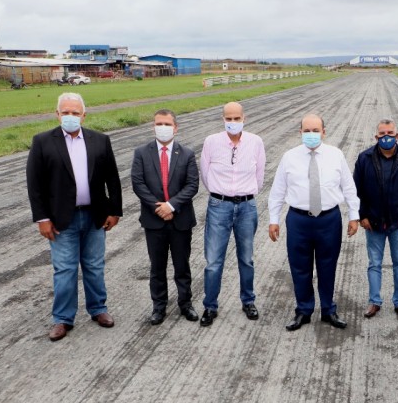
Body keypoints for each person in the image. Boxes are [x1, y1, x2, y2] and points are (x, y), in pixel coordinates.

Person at [26, 92, 123, 341]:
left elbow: (112, 178)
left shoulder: (100, 141)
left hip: (95, 216)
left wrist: (115, 211)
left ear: (84, 115)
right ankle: (62, 318)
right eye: (66, 112)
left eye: (75, 112)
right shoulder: (43, 142)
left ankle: (98, 309)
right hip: (61, 219)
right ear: (57, 114)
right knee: (65, 269)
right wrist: (42, 218)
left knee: (94, 265)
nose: (70, 116)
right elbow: (35, 185)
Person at [268, 114, 360, 331]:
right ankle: (303, 310)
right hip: (299, 219)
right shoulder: (289, 157)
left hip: (329, 219)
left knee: (328, 265)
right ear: (300, 132)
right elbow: (277, 190)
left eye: (315, 130)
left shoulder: (335, 155)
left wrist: (354, 215)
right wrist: (274, 220)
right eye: (306, 131)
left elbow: (348, 187)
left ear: (324, 132)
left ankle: (329, 309)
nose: (311, 135)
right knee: (300, 267)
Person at [199, 101, 266, 326]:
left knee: (246, 258)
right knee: (213, 261)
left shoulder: (256, 142)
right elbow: (206, 175)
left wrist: (243, 194)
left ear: (244, 118)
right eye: (229, 118)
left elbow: (259, 175)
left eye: (237, 118)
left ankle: (248, 301)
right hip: (219, 206)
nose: (233, 122)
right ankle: (210, 305)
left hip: (247, 206)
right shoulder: (211, 142)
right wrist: (222, 194)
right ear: (223, 119)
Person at [131, 109, 199, 325]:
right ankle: (159, 307)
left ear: (175, 127)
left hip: (180, 219)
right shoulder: (141, 153)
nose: (162, 127)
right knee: (157, 266)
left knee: (182, 265)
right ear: (153, 126)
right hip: (154, 220)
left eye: (167, 124)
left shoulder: (186, 153)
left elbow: (192, 185)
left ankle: (185, 304)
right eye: (158, 123)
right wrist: (157, 207)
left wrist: (171, 206)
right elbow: (138, 184)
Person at [353, 119, 398, 320]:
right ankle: (374, 301)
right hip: (373, 222)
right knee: (374, 263)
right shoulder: (364, 158)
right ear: (376, 137)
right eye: (382, 133)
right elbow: (356, 190)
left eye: (390, 133)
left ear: (397, 136)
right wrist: (362, 215)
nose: (386, 137)